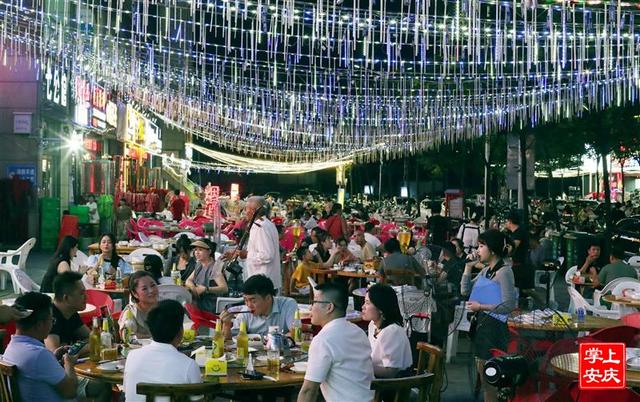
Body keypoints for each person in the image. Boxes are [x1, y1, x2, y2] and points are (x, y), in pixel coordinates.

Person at [461, 229, 516, 402]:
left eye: (481, 246)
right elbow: (465, 291)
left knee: (492, 382)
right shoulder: (486, 271)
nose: (478, 250)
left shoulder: (504, 272)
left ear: (491, 249)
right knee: (486, 381)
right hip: (482, 329)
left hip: (495, 332)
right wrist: (467, 267)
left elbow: (508, 305)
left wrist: (481, 307)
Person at [297, 281, 374, 402]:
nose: (310, 307)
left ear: (329, 307)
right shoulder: (358, 331)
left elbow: (308, 391)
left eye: (314, 302)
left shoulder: (323, 340)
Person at [44, 272, 111, 401]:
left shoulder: (71, 313)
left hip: (69, 370)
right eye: (81, 293)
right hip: (56, 381)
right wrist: (80, 347)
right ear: (66, 298)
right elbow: (56, 354)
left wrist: (73, 348)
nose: (86, 297)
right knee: (103, 386)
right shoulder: (50, 318)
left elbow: (95, 339)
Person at [3, 292, 79, 401]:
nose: (52, 324)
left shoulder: (11, 348)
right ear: (39, 325)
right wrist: (69, 364)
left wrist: (53, 358)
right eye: (52, 320)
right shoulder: (39, 354)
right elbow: (71, 392)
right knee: (99, 387)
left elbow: (35, 370)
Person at [124, 299, 202, 402]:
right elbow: (198, 399)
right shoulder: (189, 365)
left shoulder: (132, 356)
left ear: (151, 330)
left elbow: (127, 391)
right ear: (180, 332)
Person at [220, 274, 298, 338]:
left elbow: (296, 332)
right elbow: (230, 340)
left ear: (268, 298)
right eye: (246, 300)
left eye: (253, 301)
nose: (249, 305)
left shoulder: (288, 305)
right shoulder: (245, 312)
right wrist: (226, 324)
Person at [231, 196, 282, 291]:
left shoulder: (260, 227)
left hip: (262, 283)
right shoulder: (266, 224)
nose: (245, 212)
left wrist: (247, 254)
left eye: (246, 209)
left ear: (252, 211)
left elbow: (266, 256)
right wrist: (236, 253)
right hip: (263, 281)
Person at [361, 284, 412, 378]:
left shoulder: (392, 332)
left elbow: (391, 372)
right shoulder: (372, 325)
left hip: (394, 384)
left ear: (381, 308)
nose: (363, 307)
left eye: (367, 303)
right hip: (376, 378)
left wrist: (361, 366)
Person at [185, 239, 229, 313]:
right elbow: (188, 280)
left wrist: (206, 289)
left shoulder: (214, 268)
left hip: (210, 306)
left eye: (200, 250)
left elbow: (224, 288)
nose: (197, 252)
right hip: (200, 302)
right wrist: (193, 288)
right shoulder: (199, 264)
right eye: (195, 250)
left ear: (209, 251)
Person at [118, 271, 159, 339]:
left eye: (153, 285)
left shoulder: (165, 307)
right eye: (144, 289)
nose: (151, 290)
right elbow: (127, 337)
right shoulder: (130, 313)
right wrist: (153, 338)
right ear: (135, 294)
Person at [505, 211, 533, 298]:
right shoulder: (515, 233)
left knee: (525, 289)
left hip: (522, 265)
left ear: (510, 221)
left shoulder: (519, 233)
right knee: (521, 289)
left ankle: (545, 302)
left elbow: (513, 247)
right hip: (519, 263)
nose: (505, 223)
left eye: (506, 221)